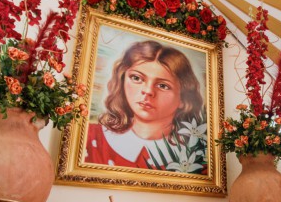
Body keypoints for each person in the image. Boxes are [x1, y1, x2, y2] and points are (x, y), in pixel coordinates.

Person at [85, 40, 206, 172]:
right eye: (137, 78)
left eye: (163, 86)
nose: (148, 91)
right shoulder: (89, 137)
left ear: (183, 98)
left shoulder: (197, 157)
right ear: (122, 80)